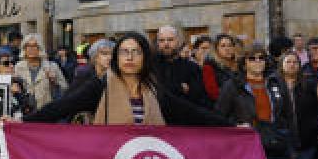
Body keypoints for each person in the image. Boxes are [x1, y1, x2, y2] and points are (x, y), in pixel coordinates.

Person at [25, 33, 231, 127]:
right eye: (124, 52)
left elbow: (191, 113)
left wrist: (230, 127)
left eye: (136, 52)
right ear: (117, 58)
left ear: (145, 58)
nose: (130, 57)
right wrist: (21, 123)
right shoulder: (101, 85)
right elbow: (61, 106)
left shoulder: (153, 89)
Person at [216, 47, 294, 159]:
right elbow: (219, 116)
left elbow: (289, 115)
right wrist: (236, 126)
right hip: (245, 146)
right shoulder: (232, 86)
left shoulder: (276, 82)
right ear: (244, 63)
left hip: (274, 144)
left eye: (261, 58)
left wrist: (292, 143)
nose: (258, 62)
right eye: (252, 58)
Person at [273, 50, 318, 159]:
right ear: (282, 64)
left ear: (299, 65)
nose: (292, 64)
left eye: (295, 62)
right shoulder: (272, 83)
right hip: (280, 138)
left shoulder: (309, 84)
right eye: (288, 62)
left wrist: (316, 131)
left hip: (305, 137)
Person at [153, 25, 209, 107]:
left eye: (170, 39)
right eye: (161, 40)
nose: (166, 43)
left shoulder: (192, 67)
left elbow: (197, 96)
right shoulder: (151, 66)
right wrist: (179, 88)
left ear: (178, 42)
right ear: (157, 43)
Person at [11, 34, 67, 112]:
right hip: (25, 114)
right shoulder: (18, 67)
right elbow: (13, 92)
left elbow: (65, 91)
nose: (31, 49)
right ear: (24, 49)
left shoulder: (52, 66)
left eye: (34, 46)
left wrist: (54, 81)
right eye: (28, 46)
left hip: (47, 114)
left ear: (40, 48)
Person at [201, 33, 240, 102]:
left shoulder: (239, 65)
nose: (227, 49)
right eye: (223, 46)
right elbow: (214, 94)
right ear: (216, 49)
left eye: (230, 45)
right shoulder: (209, 66)